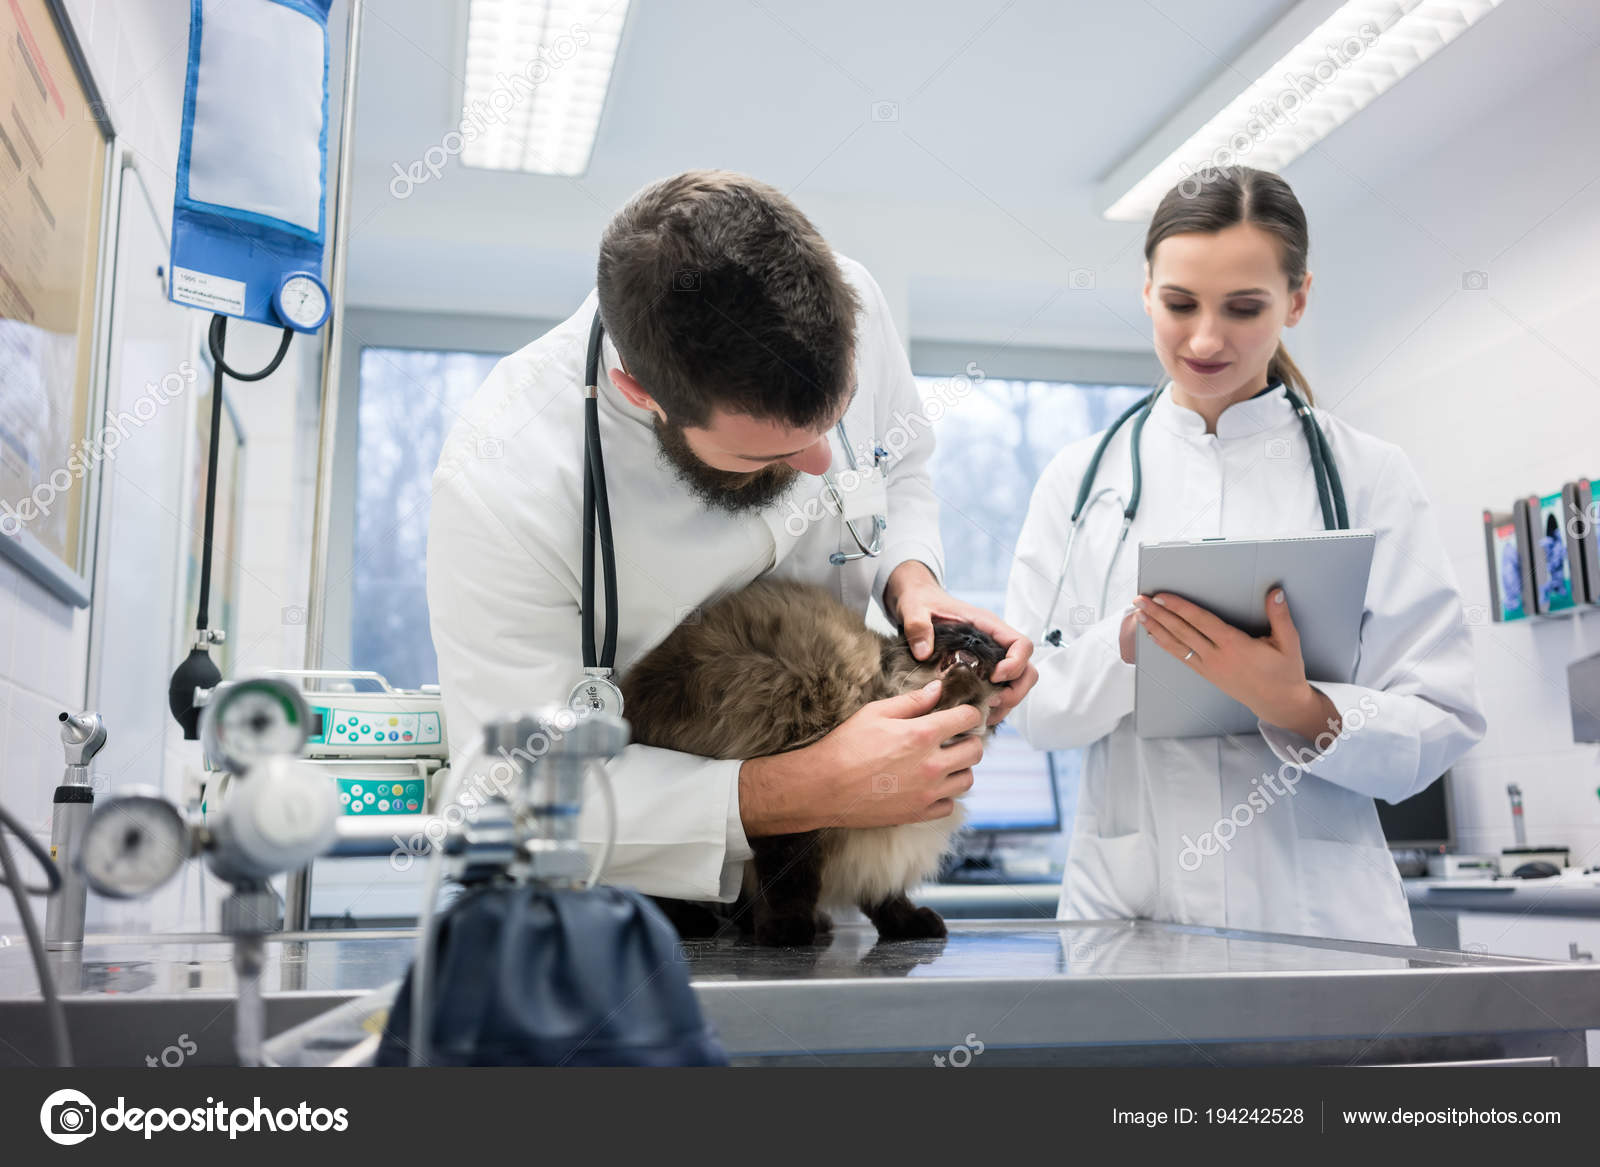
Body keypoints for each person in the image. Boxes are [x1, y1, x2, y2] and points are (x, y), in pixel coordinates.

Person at [428, 170, 1038, 901]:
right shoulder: (504, 474)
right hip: (622, 908)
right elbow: (514, 795)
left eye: (833, 421)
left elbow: (900, 467)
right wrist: (803, 788)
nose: (819, 463)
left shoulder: (856, 302)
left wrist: (914, 581)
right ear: (642, 397)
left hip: (815, 890)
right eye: (769, 453)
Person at [1004, 166, 1485, 945]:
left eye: (1244, 307)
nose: (1204, 338)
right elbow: (1034, 709)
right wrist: (1125, 646)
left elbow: (1443, 716)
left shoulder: (1370, 476)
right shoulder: (1078, 481)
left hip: (1323, 928)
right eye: (1179, 303)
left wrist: (1301, 708)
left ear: (1297, 300)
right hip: (1132, 918)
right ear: (1145, 290)